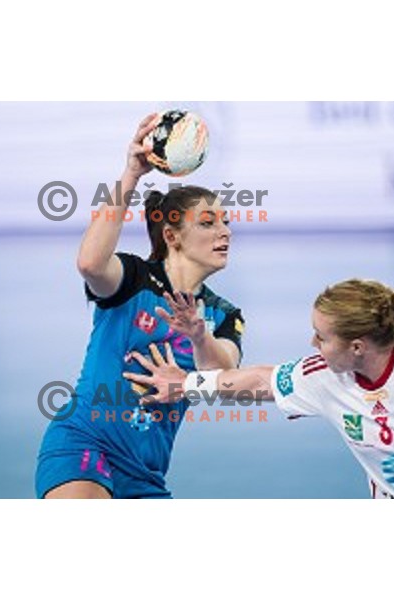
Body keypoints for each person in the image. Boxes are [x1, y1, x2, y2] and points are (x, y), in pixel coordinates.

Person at [124, 278, 394, 499]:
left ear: (357, 346)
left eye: (321, 337)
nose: (313, 345)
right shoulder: (325, 376)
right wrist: (187, 385)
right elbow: (258, 380)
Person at [35, 114, 244, 499]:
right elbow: (89, 264)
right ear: (172, 236)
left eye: (226, 222)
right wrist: (132, 173)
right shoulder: (132, 278)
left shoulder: (223, 315)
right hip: (84, 444)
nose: (225, 232)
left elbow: (221, 378)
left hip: (146, 471)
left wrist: (199, 336)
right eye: (209, 223)